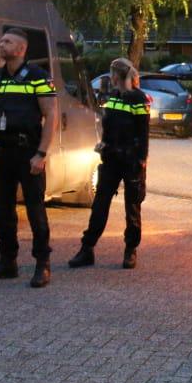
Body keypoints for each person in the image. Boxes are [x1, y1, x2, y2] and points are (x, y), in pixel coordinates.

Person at [0, 28, 56, 287]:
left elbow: (51, 115)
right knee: (2, 209)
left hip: (28, 152)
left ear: (21, 49)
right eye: (1, 40)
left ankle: (42, 262)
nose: (1, 44)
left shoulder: (37, 77)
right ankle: (8, 261)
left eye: (7, 41)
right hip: (2, 152)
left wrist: (41, 154)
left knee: (35, 210)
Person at [68, 58, 149, 270]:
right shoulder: (112, 96)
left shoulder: (139, 99)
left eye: (111, 74)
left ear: (116, 76)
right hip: (111, 159)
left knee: (132, 207)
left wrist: (141, 161)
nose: (110, 78)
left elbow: (143, 133)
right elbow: (108, 126)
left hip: (131, 160)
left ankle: (130, 250)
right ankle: (87, 249)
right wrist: (103, 144)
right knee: (100, 205)